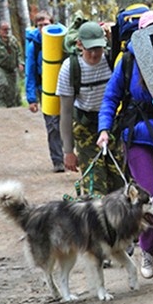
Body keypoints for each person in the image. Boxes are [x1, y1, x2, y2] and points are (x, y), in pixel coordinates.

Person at [97, 10, 153, 285]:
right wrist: (104, 130)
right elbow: (111, 97)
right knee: (149, 198)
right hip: (137, 137)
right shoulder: (129, 60)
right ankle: (148, 251)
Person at [56, 21, 124, 195]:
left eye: (98, 48)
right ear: (79, 45)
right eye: (89, 49)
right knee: (95, 187)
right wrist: (68, 151)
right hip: (86, 128)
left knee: (120, 184)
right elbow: (66, 112)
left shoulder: (111, 60)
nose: (94, 54)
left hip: (113, 127)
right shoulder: (70, 68)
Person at [26, 11, 66, 173]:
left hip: (65, 89)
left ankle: (70, 155)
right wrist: (31, 98)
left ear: (53, 24)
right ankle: (58, 160)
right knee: (53, 125)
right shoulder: (34, 45)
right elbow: (30, 71)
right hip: (46, 91)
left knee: (68, 124)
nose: (43, 28)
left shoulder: (62, 40)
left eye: (46, 24)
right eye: (40, 25)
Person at [0, 21, 23, 108]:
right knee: (2, 83)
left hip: (12, 67)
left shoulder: (13, 40)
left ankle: (14, 105)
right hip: (0, 67)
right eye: (4, 29)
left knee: (15, 88)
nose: (6, 31)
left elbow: (19, 53)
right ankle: (0, 104)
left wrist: (20, 63)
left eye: (8, 29)